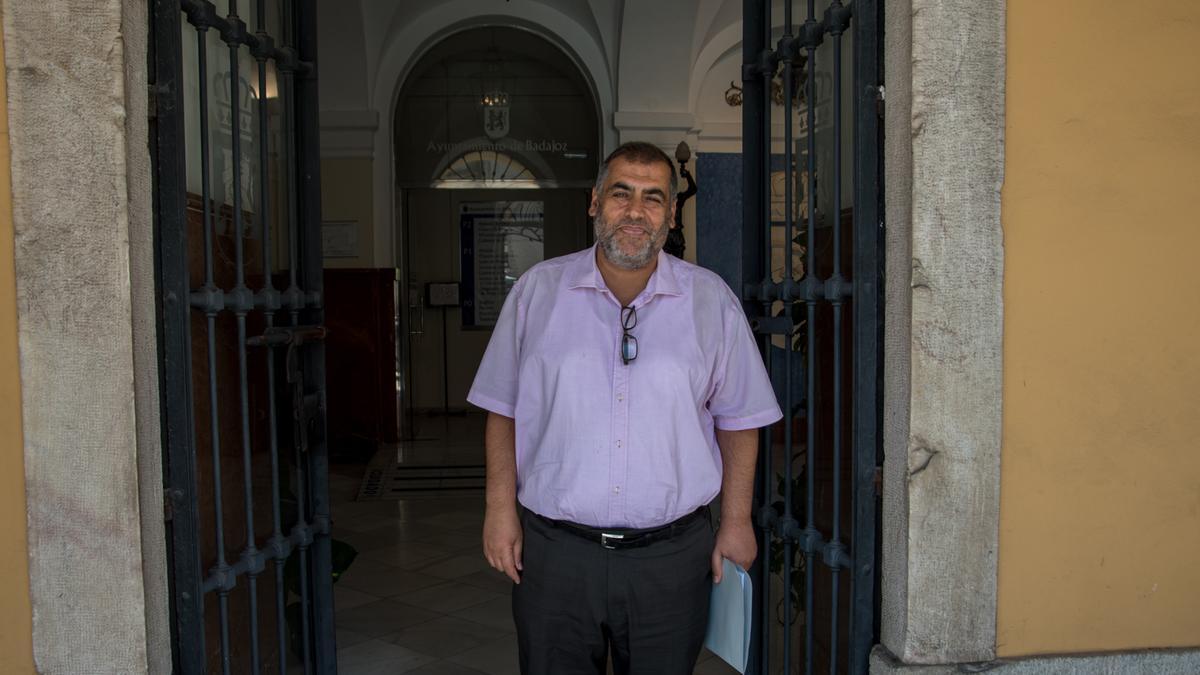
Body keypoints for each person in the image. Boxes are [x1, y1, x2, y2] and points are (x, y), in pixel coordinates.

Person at [467, 141, 782, 675]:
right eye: (621, 193)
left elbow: (739, 420)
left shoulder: (710, 301)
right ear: (595, 202)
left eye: (653, 198)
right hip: (557, 553)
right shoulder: (537, 293)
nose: (636, 211)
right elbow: (503, 409)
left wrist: (735, 521)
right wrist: (499, 510)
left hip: (671, 559)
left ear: (671, 213)